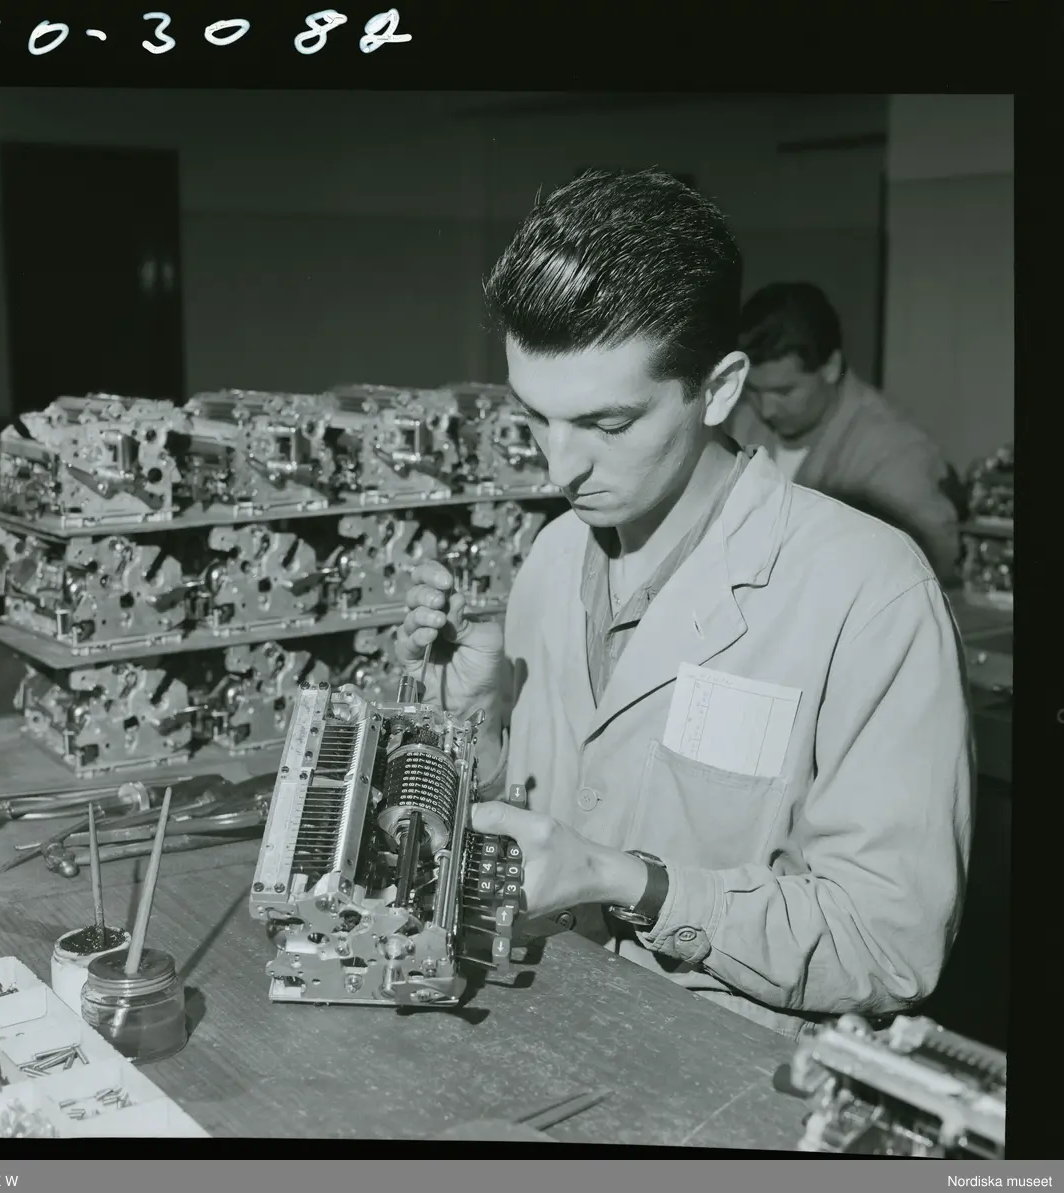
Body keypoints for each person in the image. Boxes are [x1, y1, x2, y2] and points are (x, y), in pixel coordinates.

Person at [393, 169, 973, 1041]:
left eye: (607, 425)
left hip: (728, 1074)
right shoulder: (553, 555)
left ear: (720, 387)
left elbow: (890, 941)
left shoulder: (872, 593)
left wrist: (634, 884)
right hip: (538, 1026)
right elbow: (548, 829)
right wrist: (476, 725)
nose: (560, 469)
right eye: (536, 418)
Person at [729, 282, 963, 585]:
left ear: (830, 367)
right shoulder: (744, 420)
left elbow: (930, 561)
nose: (766, 409)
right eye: (753, 389)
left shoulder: (891, 447)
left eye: (784, 392)